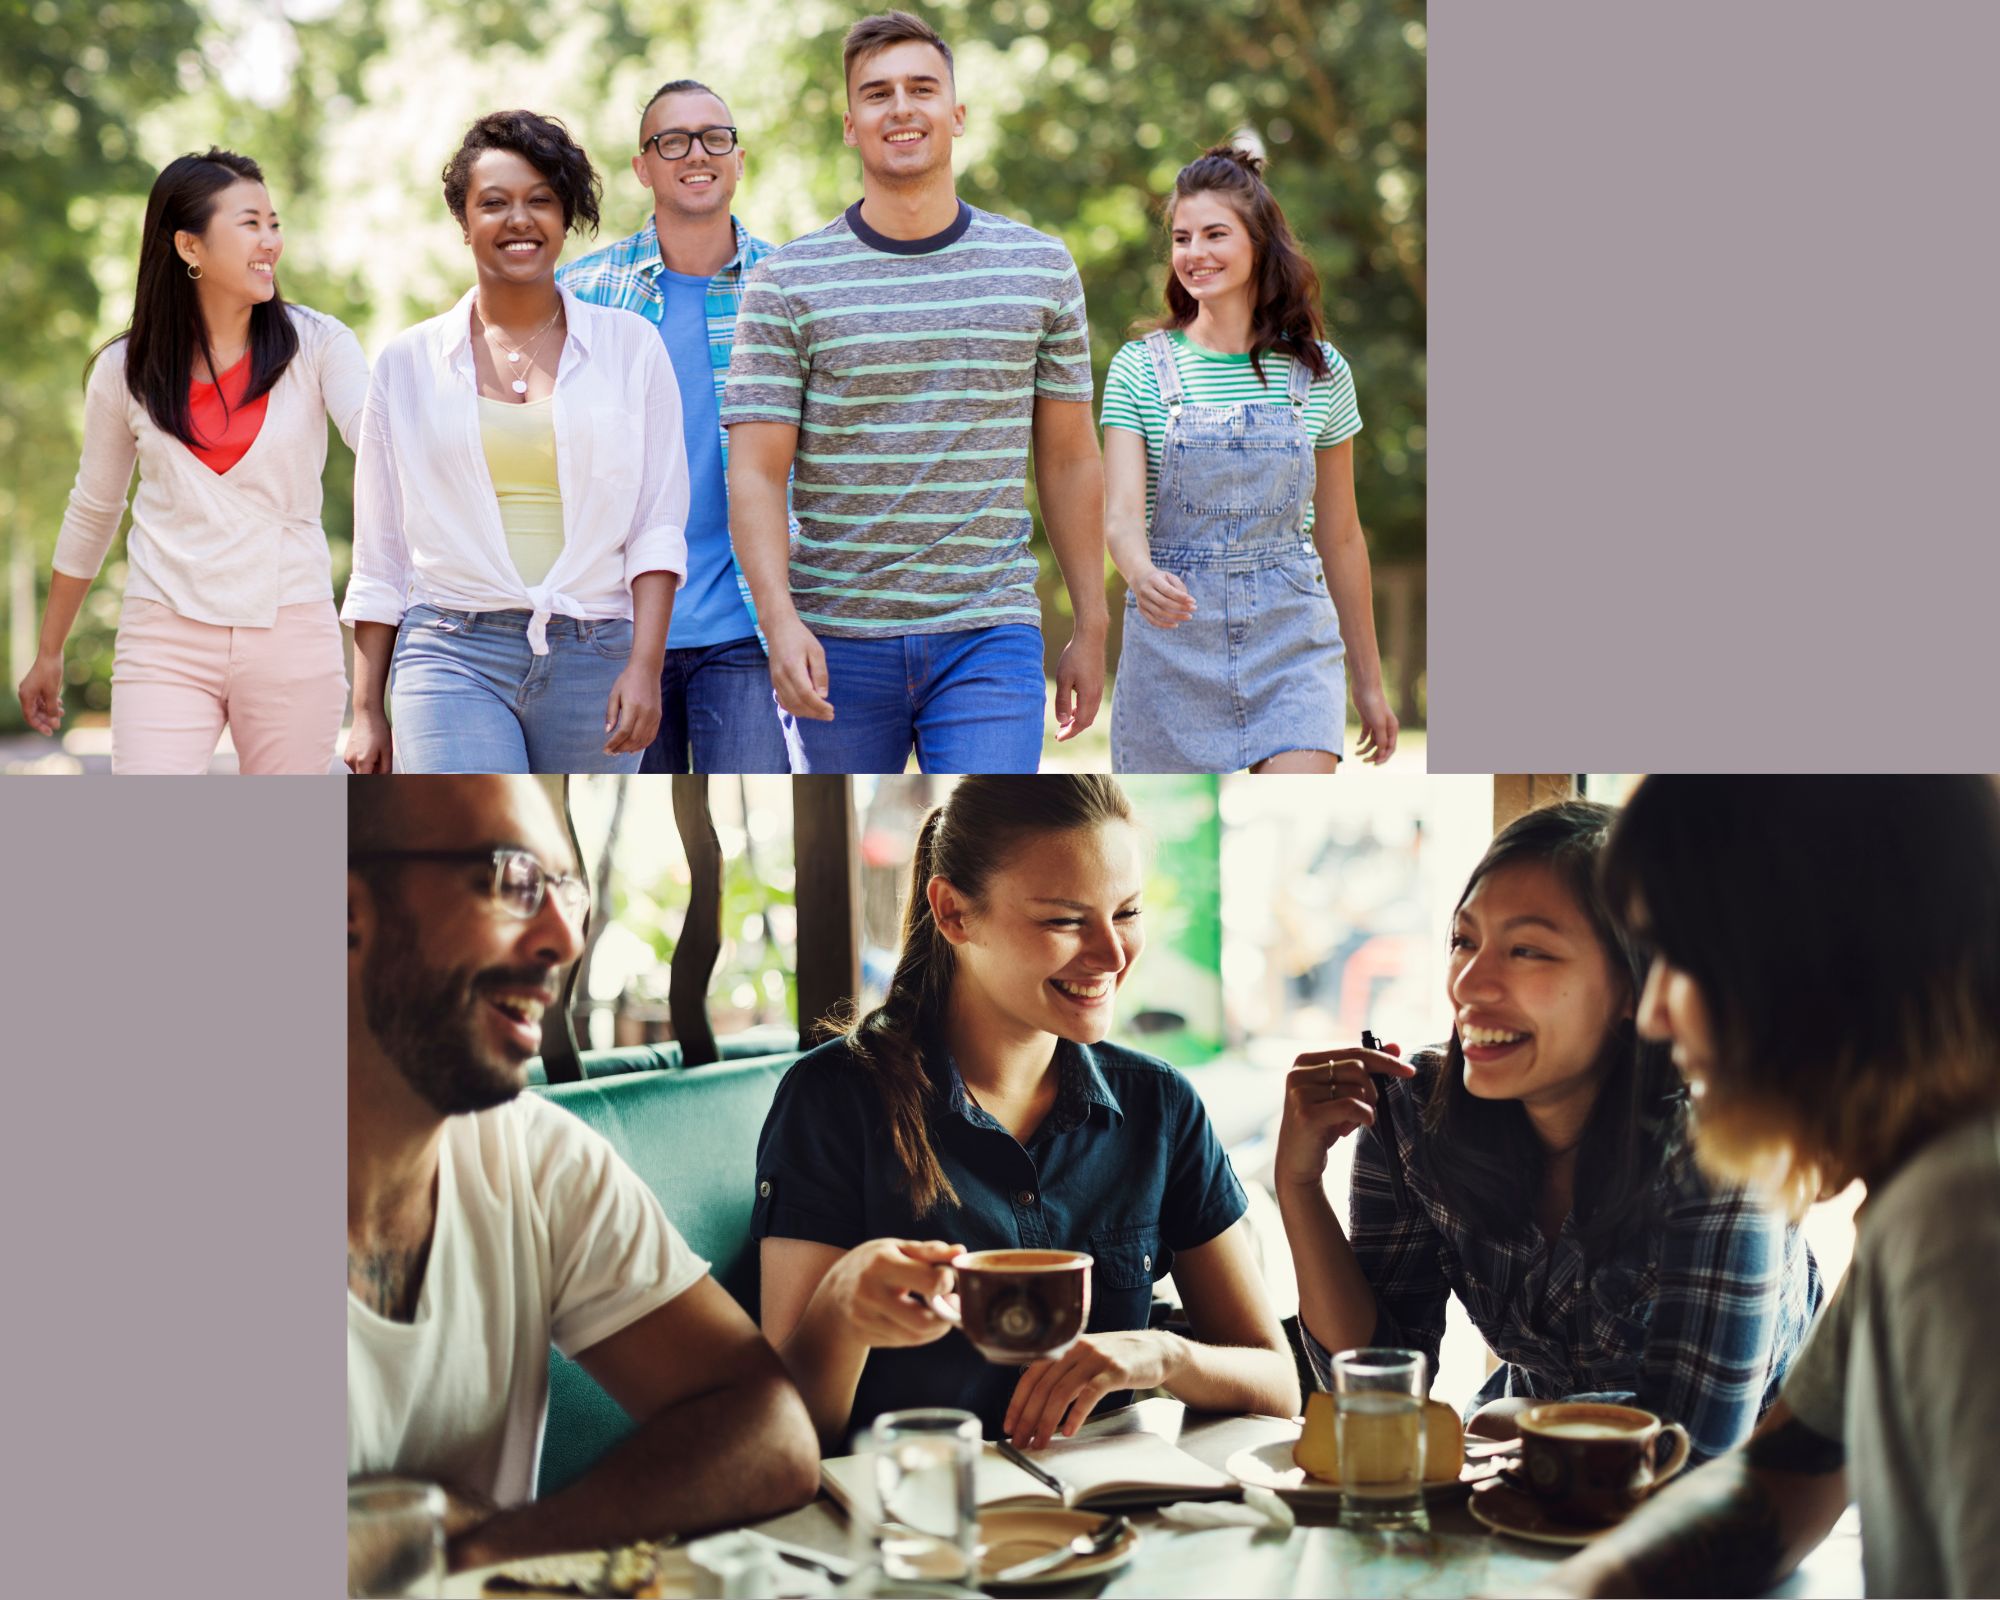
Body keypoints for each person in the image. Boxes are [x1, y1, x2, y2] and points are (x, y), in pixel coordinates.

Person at [347, 775, 818, 1575]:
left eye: (568, 892)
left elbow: (772, 1431)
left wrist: (482, 1546)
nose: (565, 939)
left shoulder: (534, 1156)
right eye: (512, 881)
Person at [1544, 777, 2000, 1599]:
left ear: (1809, 959)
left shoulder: (1962, 1213)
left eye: (1681, 957)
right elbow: (1782, 1482)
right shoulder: (1924, 1188)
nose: (1652, 1015)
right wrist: (1574, 1591)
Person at [753, 776, 1299, 1448]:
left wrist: (1164, 1356)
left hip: (1111, 1505)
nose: (1113, 955)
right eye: (1065, 920)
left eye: (1127, 912)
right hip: (917, 1501)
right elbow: (781, 1439)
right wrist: (841, 1312)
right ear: (954, 913)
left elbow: (1277, 1384)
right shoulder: (831, 1100)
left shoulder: (1159, 1104)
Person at [1276, 800, 1820, 1464]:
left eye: (1527, 951)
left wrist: (1513, 1421)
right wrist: (1299, 1185)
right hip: (1527, 1479)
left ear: (1636, 986)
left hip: (1742, 1504)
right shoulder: (1416, 1115)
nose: (1469, 984)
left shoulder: (1723, 1150)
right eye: (1464, 941)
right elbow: (1373, 1392)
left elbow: (1692, 1449)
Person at [724, 11, 1107, 775]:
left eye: (922, 88)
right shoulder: (785, 283)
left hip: (988, 634)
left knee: (988, 824)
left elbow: (1069, 459)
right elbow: (756, 472)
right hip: (833, 641)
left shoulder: (1039, 269)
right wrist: (779, 622)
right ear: (850, 124)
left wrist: (1090, 624)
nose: (901, 107)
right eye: (877, 94)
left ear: (956, 113)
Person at [342, 111, 688, 776]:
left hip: (597, 653)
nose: (519, 220)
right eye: (494, 203)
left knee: (565, 835)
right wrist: (365, 709)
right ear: (464, 220)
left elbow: (657, 526)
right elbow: (379, 554)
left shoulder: (631, 348)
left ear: (566, 215)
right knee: (473, 835)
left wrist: (646, 667)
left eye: (541, 200)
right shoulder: (407, 363)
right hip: (450, 651)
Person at [17, 148, 365, 774]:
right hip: (164, 635)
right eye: (250, 223)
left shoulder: (320, 345)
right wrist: (49, 651)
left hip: (291, 629)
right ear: (189, 246)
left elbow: (377, 436)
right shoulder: (124, 370)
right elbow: (94, 510)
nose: (271, 241)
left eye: (274, 223)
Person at [1102, 146, 1396, 774]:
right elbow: (1121, 516)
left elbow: (1342, 535)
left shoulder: (1320, 372)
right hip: (1171, 645)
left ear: (1259, 244)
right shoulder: (1138, 369)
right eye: (1182, 237)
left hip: (1292, 645)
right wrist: (1139, 573)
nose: (1195, 253)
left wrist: (1369, 683)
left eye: (1215, 234)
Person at [559, 77, 791, 773]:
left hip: (749, 630)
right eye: (673, 141)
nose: (697, 153)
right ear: (642, 167)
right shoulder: (581, 295)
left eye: (715, 138)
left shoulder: (788, 288)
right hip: (612, 630)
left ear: (739, 159)